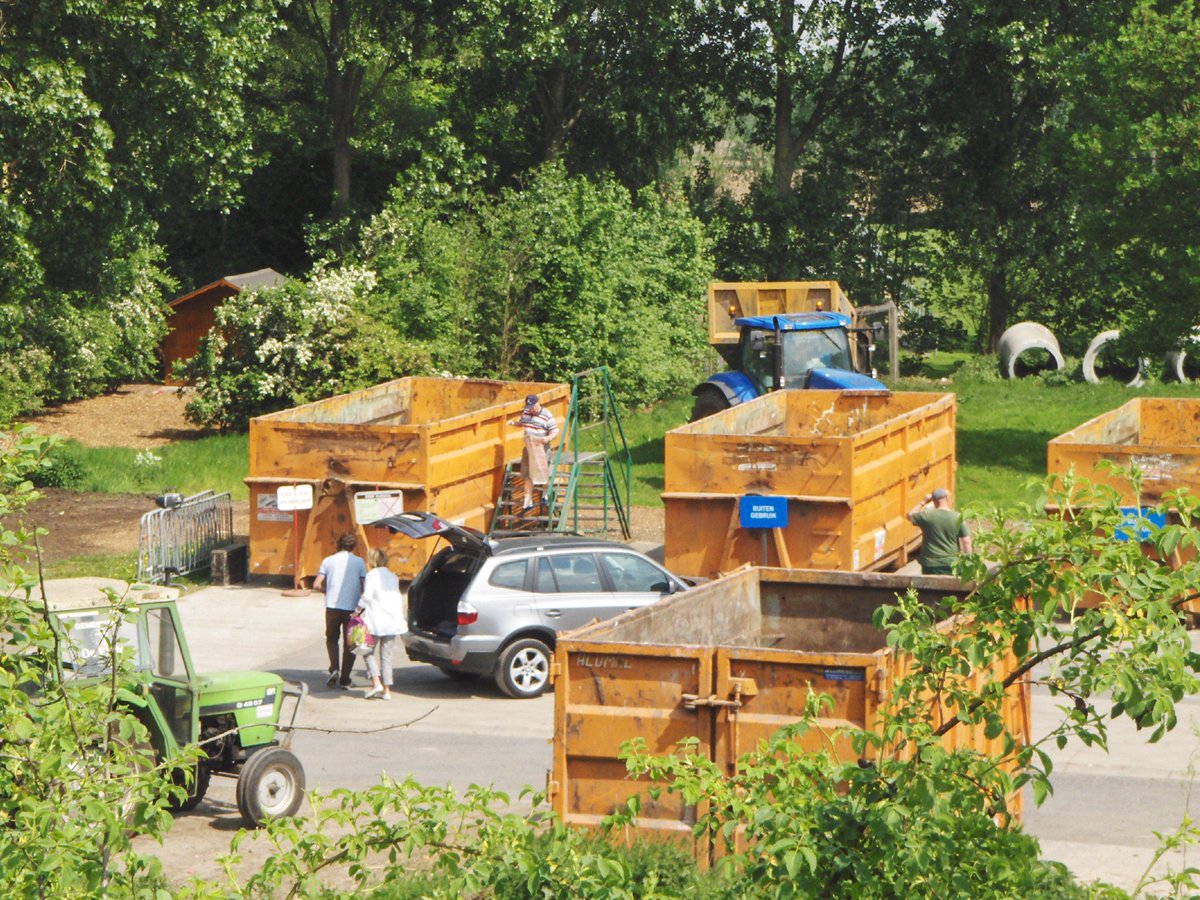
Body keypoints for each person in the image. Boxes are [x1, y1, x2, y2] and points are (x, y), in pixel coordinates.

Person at [313, 532, 367, 689]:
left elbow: (316, 584)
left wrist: (326, 591)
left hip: (332, 607)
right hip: (353, 609)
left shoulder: (328, 561)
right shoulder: (359, 562)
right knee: (350, 644)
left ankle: (334, 668)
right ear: (353, 546)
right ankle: (345, 678)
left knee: (331, 639)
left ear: (338, 544)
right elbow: (364, 586)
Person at [357, 548, 406, 701]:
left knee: (366, 651)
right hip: (392, 621)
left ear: (371, 561)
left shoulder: (372, 575)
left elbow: (367, 596)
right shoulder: (393, 577)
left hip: (376, 621)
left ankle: (376, 682)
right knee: (386, 657)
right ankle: (387, 691)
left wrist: (356, 610)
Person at [509, 394, 559, 511]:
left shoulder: (547, 415)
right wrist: (513, 423)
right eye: (528, 406)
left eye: (532, 406)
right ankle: (528, 502)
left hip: (541, 448)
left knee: (544, 473)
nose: (530, 409)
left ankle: (545, 495)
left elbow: (555, 431)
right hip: (528, 447)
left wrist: (548, 438)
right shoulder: (526, 412)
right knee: (527, 474)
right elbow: (522, 423)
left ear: (538, 403)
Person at [907, 487, 972, 575]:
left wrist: (923, 501)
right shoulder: (957, 517)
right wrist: (968, 562)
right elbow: (966, 542)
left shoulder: (927, 516)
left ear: (933, 501)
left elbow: (909, 515)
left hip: (930, 564)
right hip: (951, 563)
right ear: (947, 499)